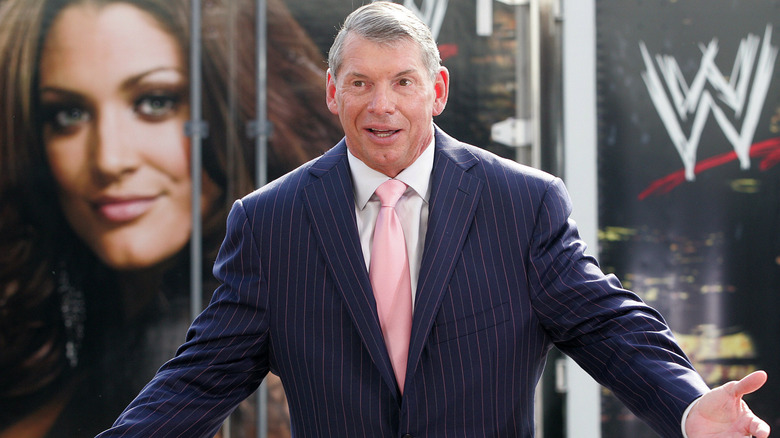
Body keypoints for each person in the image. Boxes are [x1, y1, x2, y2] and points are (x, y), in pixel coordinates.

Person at [97, 1, 770, 437]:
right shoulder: (271, 222)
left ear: (438, 90)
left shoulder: (522, 204)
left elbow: (605, 322)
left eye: (402, 82)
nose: (380, 104)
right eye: (359, 82)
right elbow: (203, 374)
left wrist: (687, 407)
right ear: (333, 93)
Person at [0, 0, 341, 436]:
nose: (109, 159)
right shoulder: (57, 364)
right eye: (69, 114)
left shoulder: (275, 362)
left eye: (155, 102)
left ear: (237, 110)